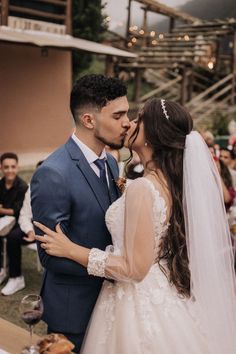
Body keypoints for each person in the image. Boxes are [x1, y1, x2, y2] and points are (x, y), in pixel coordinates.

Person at [35, 98, 236, 354]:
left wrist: (71, 249)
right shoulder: (167, 183)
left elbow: (134, 268)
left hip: (135, 302)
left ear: (152, 134)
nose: (129, 124)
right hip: (160, 294)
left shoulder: (144, 187)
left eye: (138, 119)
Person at [31, 74, 130, 352]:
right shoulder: (53, 173)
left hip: (111, 304)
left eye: (127, 114)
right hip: (73, 310)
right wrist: (116, 267)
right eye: (118, 115)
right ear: (89, 120)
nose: (127, 122)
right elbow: (49, 256)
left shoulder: (111, 163)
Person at [1, 161, 43, 295]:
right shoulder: (31, 189)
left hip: (53, 228)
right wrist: (30, 231)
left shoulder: (60, 189)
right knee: (12, 237)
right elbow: (24, 215)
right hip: (33, 225)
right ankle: (16, 278)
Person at [0, 152, 28, 285]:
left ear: (17, 167)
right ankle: (2, 269)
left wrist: (2, 210)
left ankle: (16, 277)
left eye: (13, 166)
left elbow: (17, 211)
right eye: (6, 167)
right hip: (3, 222)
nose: (10, 170)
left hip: (21, 223)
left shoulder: (22, 187)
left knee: (12, 237)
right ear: (1, 168)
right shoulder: (0, 184)